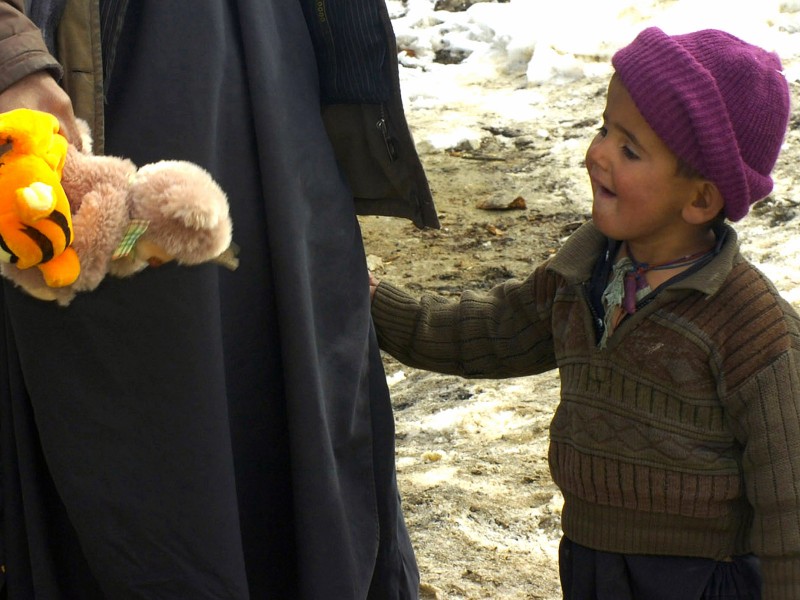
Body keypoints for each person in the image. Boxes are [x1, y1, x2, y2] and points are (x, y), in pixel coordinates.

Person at [0, 1, 438, 598]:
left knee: (304, 417)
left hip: (279, 89)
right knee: (147, 461)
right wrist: (12, 58)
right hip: (109, 91)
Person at [369, 27, 800, 599]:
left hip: (700, 580)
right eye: (604, 128)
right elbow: (489, 334)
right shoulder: (580, 275)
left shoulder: (751, 328)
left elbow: (791, 502)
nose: (596, 153)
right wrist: (373, 304)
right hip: (590, 562)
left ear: (700, 198)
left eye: (629, 149)